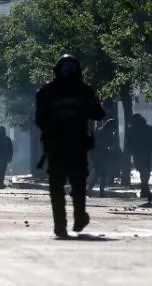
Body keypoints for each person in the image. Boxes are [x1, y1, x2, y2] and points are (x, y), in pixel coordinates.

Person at [35, 54, 105, 238]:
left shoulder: (46, 92)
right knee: (78, 183)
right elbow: (98, 114)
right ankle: (79, 218)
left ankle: (60, 225)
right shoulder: (84, 91)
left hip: (56, 146)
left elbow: (39, 120)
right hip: (77, 146)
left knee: (56, 186)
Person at [127, 114, 152, 201]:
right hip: (146, 152)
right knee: (146, 171)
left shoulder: (131, 129)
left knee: (142, 171)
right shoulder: (148, 128)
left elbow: (128, 142)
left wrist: (130, 150)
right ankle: (145, 189)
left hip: (137, 153)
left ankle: (145, 188)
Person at [87, 119, 117, 197]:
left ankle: (95, 190)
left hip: (97, 154)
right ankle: (94, 190)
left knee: (100, 172)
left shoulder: (100, 131)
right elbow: (109, 144)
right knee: (100, 173)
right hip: (101, 154)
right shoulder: (108, 133)